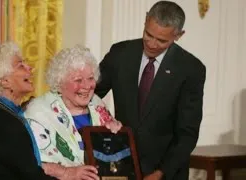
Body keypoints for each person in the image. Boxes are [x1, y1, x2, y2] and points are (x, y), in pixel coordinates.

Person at [95, 1, 206, 180]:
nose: (152, 44)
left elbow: (187, 132)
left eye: (162, 40)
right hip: (121, 164)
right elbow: (91, 93)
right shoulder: (120, 54)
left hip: (165, 171)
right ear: (146, 20)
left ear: (178, 35)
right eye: (148, 35)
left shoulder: (191, 69)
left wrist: (161, 172)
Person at [24, 45, 122, 180]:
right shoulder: (39, 111)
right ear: (59, 82)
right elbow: (29, 164)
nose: (87, 86)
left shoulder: (97, 103)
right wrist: (67, 172)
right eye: (78, 80)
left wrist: (118, 134)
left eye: (90, 78)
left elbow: (115, 159)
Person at [0, 42, 54, 180]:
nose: (30, 68)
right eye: (21, 66)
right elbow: (31, 176)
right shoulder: (6, 123)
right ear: (5, 82)